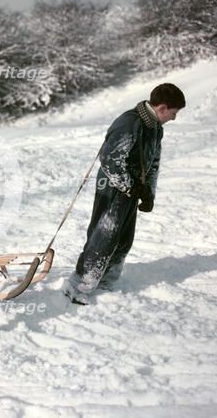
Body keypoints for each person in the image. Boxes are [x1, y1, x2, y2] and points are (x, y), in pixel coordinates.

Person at [64, 83, 185, 305]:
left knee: (123, 240)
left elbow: (153, 163)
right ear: (162, 108)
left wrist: (149, 193)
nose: (174, 118)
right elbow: (111, 162)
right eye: (174, 113)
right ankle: (77, 286)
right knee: (104, 237)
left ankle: (106, 283)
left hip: (131, 189)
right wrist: (131, 186)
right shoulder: (130, 123)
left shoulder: (156, 128)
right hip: (111, 188)